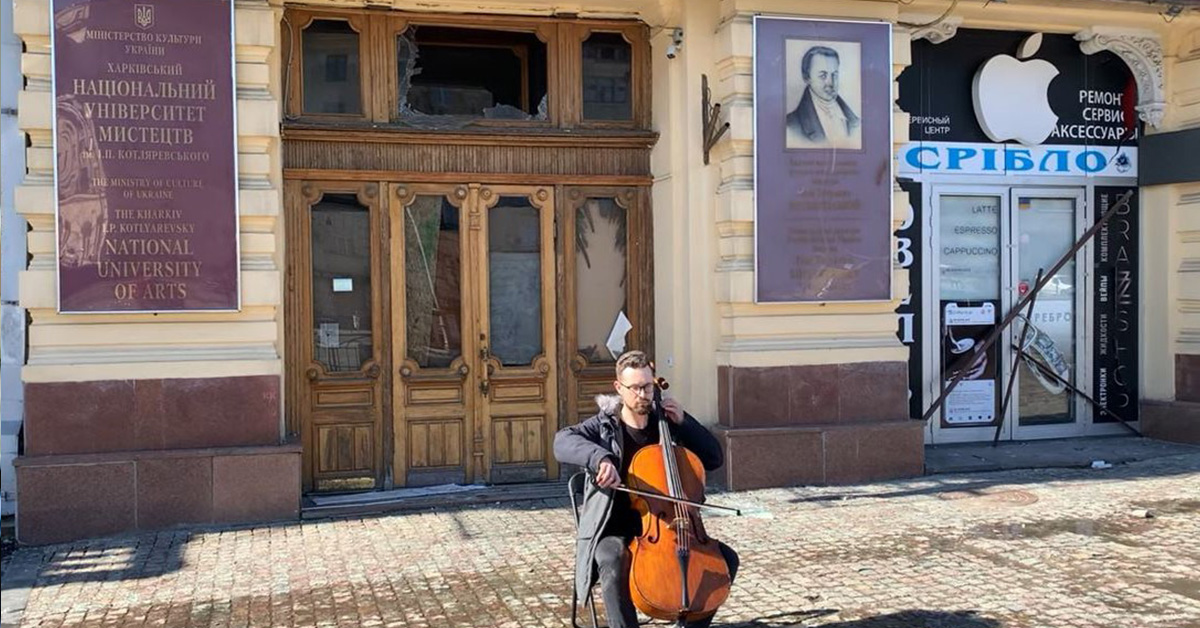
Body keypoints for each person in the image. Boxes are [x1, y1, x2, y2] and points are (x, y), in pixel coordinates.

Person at [554, 350, 739, 628]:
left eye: (648, 386)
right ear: (619, 388)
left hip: (668, 529)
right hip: (613, 528)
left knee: (726, 560)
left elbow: (714, 458)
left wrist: (685, 423)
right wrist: (600, 458)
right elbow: (562, 441)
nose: (643, 395)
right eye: (636, 388)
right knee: (614, 559)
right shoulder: (604, 425)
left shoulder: (665, 423)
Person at [786, 45, 860, 149]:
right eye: (823, 76)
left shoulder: (856, 123)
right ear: (807, 77)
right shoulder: (791, 126)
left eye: (834, 75)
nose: (830, 83)